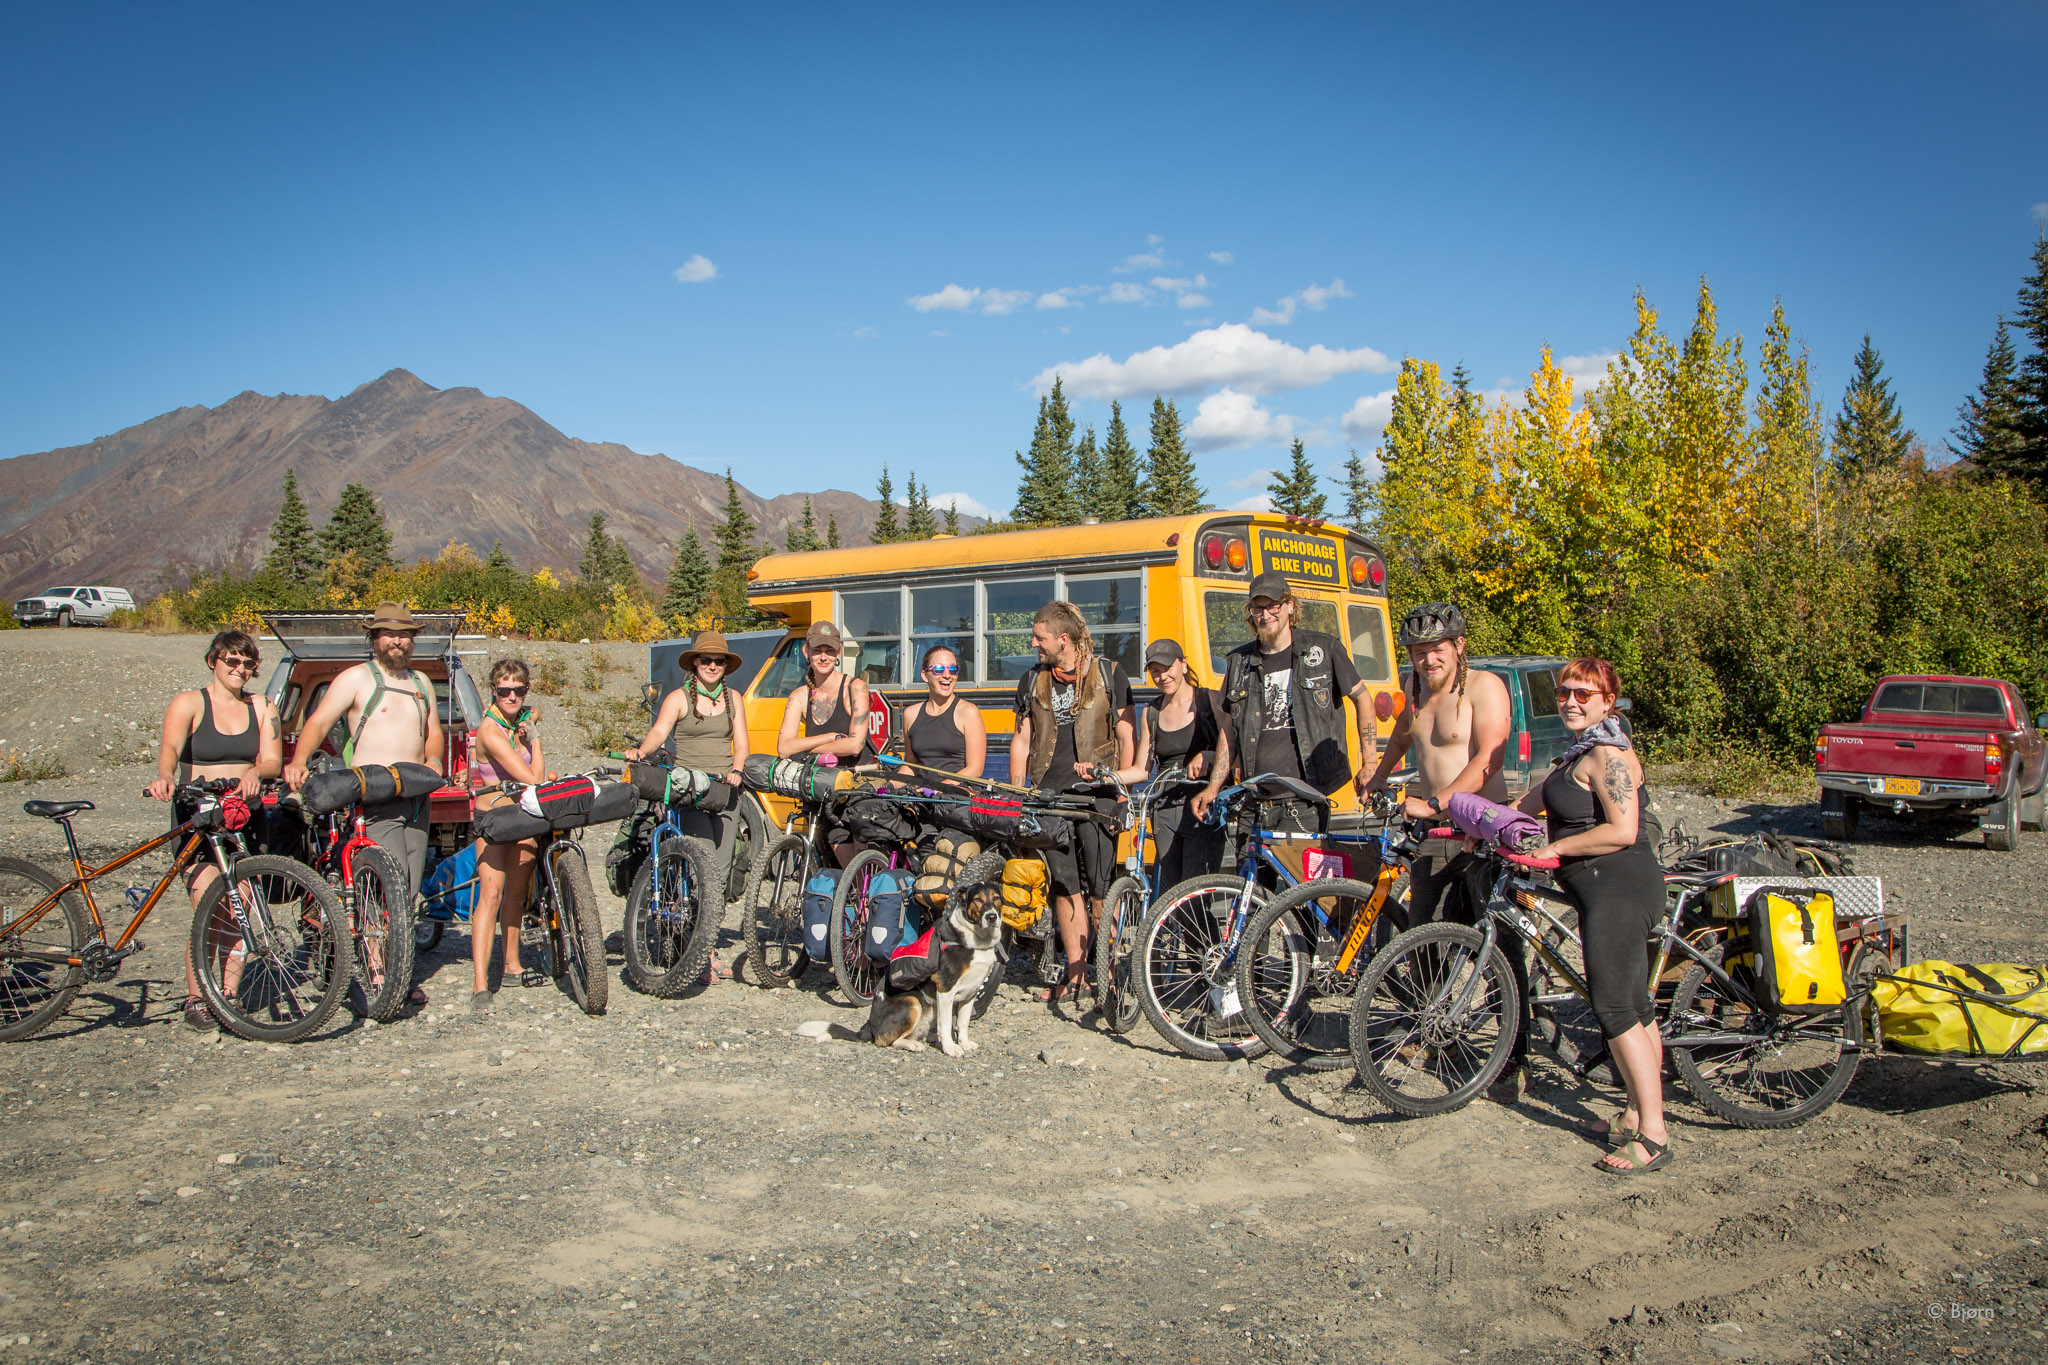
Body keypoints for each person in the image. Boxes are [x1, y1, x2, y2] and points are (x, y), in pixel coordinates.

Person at [1361, 601, 1523, 1097]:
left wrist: (1436, 803)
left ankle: (1514, 1055)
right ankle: (1435, 1032)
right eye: (1417, 652)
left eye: (1436, 651)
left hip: (1479, 836)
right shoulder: (1415, 689)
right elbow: (1402, 738)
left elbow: (1488, 761)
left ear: (1458, 647)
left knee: (1499, 945)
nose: (1427, 660)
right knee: (1423, 940)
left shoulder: (1484, 687)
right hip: (1433, 835)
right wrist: (1378, 775)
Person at [1515, 658, 1670, 1175]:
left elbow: (1623, 831)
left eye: (1585, 694)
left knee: (1615, 1009)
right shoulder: (1576, 755)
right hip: (1603, 890)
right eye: (1564, 693)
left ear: (1608, 701)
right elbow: (1527, 804)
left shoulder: (1609, 754)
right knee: (1635, 1005)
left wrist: (1552, 850)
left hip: (1620, 888)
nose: (1572, 701)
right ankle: (1632, 1114)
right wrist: (1476, 820)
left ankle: (1653, 1132)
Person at [285, 601, 443, 1004]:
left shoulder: (422, 682)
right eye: (389, 633)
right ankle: (381, 975)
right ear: (374, 638)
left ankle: (396, 968)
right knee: (380, 888)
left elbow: (433, 731)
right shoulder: (355, 679)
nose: (398, 640)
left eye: (405, 634)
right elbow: (318, 722)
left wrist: (435, 761)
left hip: (417, 798)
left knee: (406, 889)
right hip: (374, 798)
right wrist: (298, 763)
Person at [146, 630, 284, 1031]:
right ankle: (197, 998)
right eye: (232, 661)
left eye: (248, 663)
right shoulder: (190, 702)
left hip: (243, 815)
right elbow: (170, 748)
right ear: (214, 661)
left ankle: (227, 996)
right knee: (210, 903)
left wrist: (257, 771)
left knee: (239, 905)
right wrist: (164, 777)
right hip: (198, 815)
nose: (240, 669)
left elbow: (273, 759)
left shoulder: (262, 706)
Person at [1012, 601, 1136, 1006]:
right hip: (1049, 797)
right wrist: (1019, 792)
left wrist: (1123, 784)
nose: (1035, 645)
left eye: (1040, 638)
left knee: (1102, 888)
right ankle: (1078, 974)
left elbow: (1125, 732)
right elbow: (1023, 738)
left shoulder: (1109, 674)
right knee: (1065, 887)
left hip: (1096, 797)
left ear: (1063, 639)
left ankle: (1112, 977)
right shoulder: (1033, 679)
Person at [1192, 571, 1378, 836]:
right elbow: (1229, 731)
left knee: (1303, 877)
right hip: (1254, 797)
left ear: (1290, 606)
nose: (1266, 615)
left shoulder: (1324, 649)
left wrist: (1369, 763)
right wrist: (1213, 787)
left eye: (1273, 606)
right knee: (1250, 877)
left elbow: (1363, 699)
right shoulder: (1238, 662)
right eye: (1258, 608)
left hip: (1306, 796)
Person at [625, 630, 751, 979]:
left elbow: (741, 743)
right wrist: (642, 752)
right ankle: (702, 953)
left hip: (725, 789)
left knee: (721, 870)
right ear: (695, 662)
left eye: (719, 660)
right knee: (703, 865)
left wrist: (738, 769)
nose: (712, 665)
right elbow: (659, 731)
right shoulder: (679, 698)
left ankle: (702, 945)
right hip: (690, 788)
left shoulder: (734, 698)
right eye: (706, 660)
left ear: (727, 666)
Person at [775, 620, 872, 976]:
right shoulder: (800, 696)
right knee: (831, 865)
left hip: (855, 793)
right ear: (807, 652)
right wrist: (825, 739)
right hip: (819, 791)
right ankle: (836, 940)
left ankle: (862, 948)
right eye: (818, 649)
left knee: (855, 868)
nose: (824, 656)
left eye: (830, 650)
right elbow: (783, 747)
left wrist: (814, 746)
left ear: (838, 653)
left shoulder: (855, 688)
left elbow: (855, 744)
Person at [466, 659, 552, 1010]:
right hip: (493, 818)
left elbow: (540, 775)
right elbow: (533, 778)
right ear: (494, 691)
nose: (512, 696)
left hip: (522, 815)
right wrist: (534, 738)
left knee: (517, 893)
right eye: (505, 690)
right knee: (491, 894)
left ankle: (512, 963)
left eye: (519, 689)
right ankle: (480, 983)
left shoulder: (518, 723)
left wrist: (533, 738)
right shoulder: (490, 729)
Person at [1113, 639, 1223, 887]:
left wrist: (1210, 756)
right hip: (1164, 810)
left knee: (1195, 895)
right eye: (1155, 671)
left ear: (1183, 665)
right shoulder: (1151, 712)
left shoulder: (1210, 702)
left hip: (1203, 809)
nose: (1162, 676)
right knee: (1171, 894)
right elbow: (1142, 770)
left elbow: (1235, 755)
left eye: (1167, 668)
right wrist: (1106, 776)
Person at [901, 644, 986, 779]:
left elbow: (975, 770)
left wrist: (937, 789)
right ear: (925, 675)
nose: (947, 675)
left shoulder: (969, 712)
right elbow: (911, 765)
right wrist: (888, 785)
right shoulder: (910, 714)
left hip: (954, 796)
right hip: (919, 795)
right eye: (939, 669)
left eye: (953, 669)